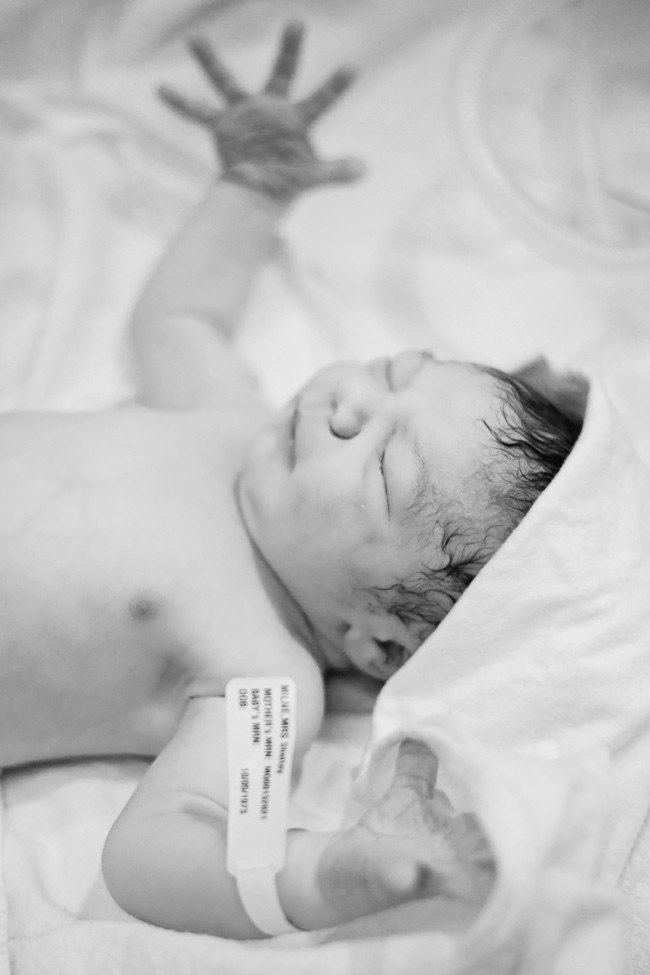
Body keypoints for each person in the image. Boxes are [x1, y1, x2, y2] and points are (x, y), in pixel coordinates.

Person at [0, 24, 582, 938]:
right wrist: (253, 188)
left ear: (378, 641)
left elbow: (158, 850)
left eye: (385, 465)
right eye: (393, 372)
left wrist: (321, 870)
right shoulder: (232, 421)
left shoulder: (262, 675)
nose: (349, 400)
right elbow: (181, 317)